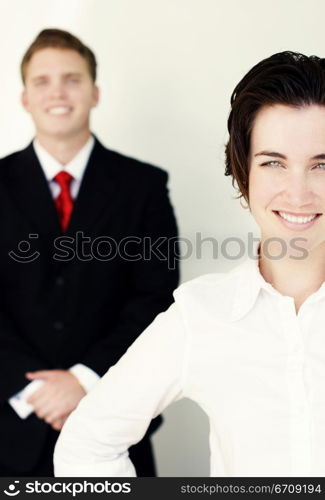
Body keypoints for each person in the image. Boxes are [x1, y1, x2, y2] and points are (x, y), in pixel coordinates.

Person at [54, 51, 325, 477]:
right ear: (243, 173)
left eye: (321, 165)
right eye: (273, 162)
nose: (298, 192)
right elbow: (86, 445)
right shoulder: (202, 315)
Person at [0, 28, 179, 477]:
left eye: (72, 79)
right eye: (42, 81)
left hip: (112, 424)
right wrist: (36, 393)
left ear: (95, 92)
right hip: (10, 426)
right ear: (24, 98)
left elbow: (155, 300)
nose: (57, 92)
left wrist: (83, 380)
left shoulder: (144, 187)